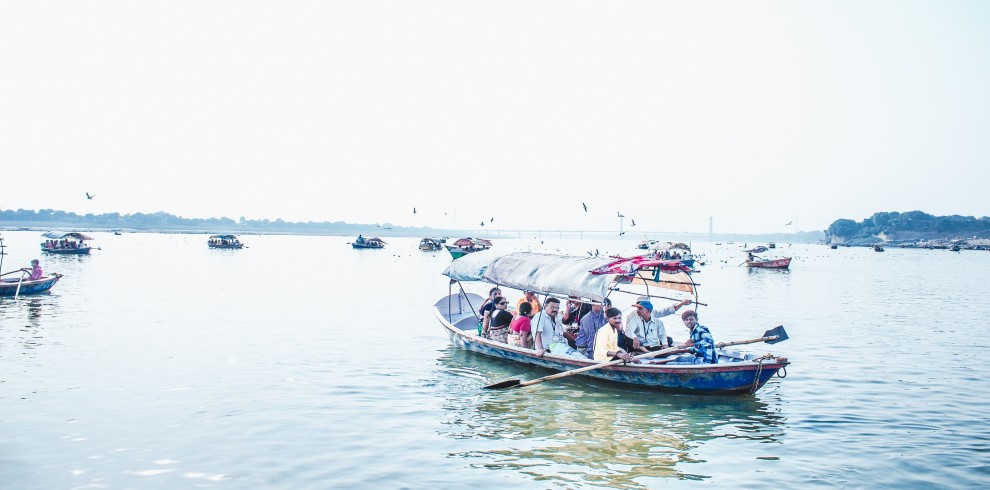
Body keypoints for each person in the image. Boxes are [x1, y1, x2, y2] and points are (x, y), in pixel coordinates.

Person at [623, 297, 692, 354]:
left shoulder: (653, 314)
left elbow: (666, 311)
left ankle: (657, 351)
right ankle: (644, 352)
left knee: (668, 340)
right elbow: (628, 330)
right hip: (637, 342)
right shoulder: (633, 316)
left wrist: (682, 303)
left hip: (650, 342)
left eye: (641, 307)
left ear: (647, 309)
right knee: (631, 340)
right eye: (638, 307)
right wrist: (635, 337)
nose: (638, 310)